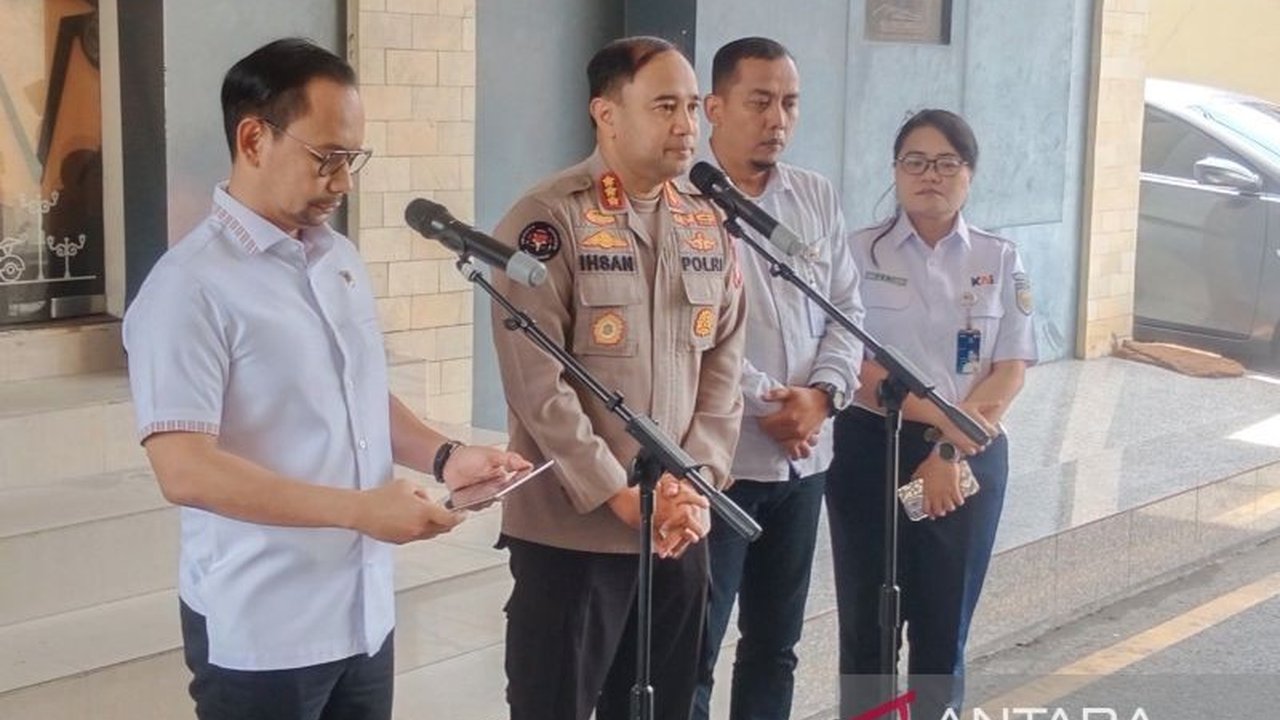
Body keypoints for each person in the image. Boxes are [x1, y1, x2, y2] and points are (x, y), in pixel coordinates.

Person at [122, 38, 529, 720]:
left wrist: (447, 456)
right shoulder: (188, 289)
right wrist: (359, 509)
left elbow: (357, 394)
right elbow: (185, 471)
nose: (343, 182)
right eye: (327, 158)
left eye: (352, 160)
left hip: (361, 611)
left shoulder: (337, 257)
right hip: (264, 625)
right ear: (254, 138)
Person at [488, 36, 747, 720]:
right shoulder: (547, 222)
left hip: (676, 530)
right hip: (574, 537)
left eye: (692, 106)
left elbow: (723, 368)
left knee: (664, 707)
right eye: (665, 105)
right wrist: (618, 492)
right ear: (606, 114)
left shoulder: (705, 223)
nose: (687, 124)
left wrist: (698, 481)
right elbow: (537, 385)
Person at [825, 108, 1038, 720]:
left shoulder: (999, 257)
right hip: (874, 448)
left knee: (943, 635)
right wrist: (944, 425)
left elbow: (1011, 366)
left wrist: (947, 447)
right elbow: (854, 362)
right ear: (894, 171)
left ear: (969, 175)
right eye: (914, 162)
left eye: (947, 163)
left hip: (968, 458)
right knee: (869, 629)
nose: (930, 176)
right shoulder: (856, 252)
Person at [690, 37, 863, 720]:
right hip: (723, 464)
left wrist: (822, 396)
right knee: (693, 650)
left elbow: (846, 306)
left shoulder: (814, 196)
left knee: (775, 646)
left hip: (804, 463)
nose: (777, 119)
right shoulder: (682, 200)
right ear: (715, 107)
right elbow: (693, 332)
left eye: (789, 103)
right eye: (760, 101)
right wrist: (771, 402)